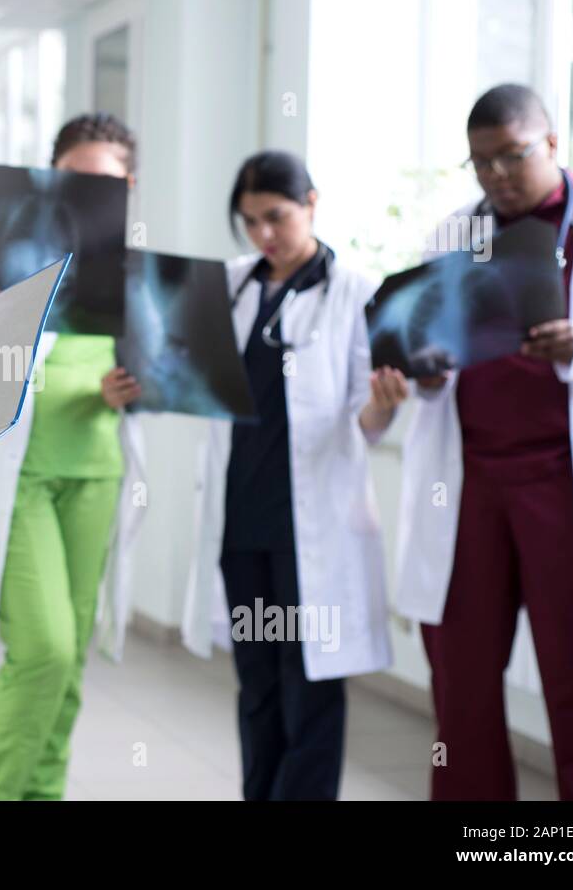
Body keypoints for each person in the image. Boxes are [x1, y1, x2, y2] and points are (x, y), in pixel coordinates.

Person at [395, 83, 573, 800]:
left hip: (568, 481)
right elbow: (422, 346)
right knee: (460, 673)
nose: (497, 176)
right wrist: (427, 376)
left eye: (512, 156)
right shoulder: (452, 233)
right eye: (481, 163)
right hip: (468, 479)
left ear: (552, 143)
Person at [0, 113, 148, 801]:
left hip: (97, 473)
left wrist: (130, 389)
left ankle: (42, 792)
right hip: (18, 478)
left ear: (129, 186)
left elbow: (167, 371)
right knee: (43, 651)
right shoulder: (4, 258)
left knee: (71, 659)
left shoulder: (139, 278)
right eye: (73, 180)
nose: (87, 194)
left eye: (103, 183)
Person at [181, 150, 404, 801]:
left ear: (311, 201)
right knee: (259, 684)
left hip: (314, 526)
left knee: (310, 684)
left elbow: (364, 418)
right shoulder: (228, 284)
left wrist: (382, 405)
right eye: (248, 222)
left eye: (275, 217)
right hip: (242, 521)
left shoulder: (357, 292)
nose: (262, 235)